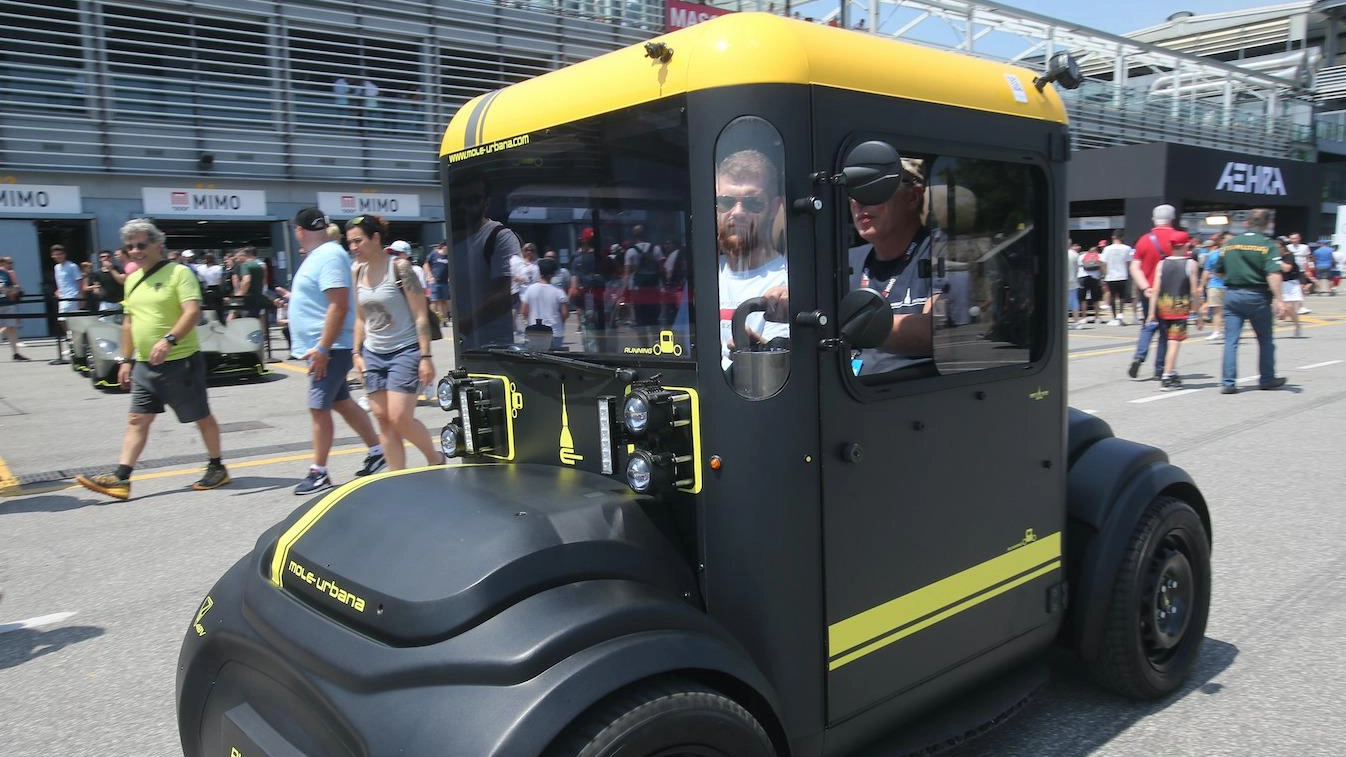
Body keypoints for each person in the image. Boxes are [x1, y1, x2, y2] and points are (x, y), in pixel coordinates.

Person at [74, 219, 230, 500]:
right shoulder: (132, 279)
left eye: (141, 245)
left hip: (180, 360)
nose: (135, 251)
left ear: (158, 244)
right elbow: (128, 322)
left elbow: (192, 312)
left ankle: (217, 467)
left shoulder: (179, 273)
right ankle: (121, 478)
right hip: (145, 364)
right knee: (137, 419)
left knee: (200, 416)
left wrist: (169, 340)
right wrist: (125, 359)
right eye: (130, 246)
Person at [288, 207, 386, 495]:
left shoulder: (328, 255)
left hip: (330, 347)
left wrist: (322, 347)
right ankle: (377, 451)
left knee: (318, 407)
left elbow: (339, 304)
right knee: (341, 402)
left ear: (298, 230)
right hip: (328, 346)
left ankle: (319, 472)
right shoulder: (320, 256)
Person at [349, 216, 443, 471]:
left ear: (376, 238)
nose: (353, 247)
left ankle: (434, 458)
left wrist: (426, 357)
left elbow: (421, 315)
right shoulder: (357, 271)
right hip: (373, 353)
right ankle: (395, 477)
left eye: (358, 241)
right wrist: (356, 353)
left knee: (400, 417)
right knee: (382, 418)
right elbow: (360, 319)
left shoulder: (400, 269)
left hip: (405, 350)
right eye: (350, 243)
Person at [845, 154, 937, 375]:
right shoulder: (846, 260)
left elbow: (933, 332)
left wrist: (842, 323)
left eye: (873, 189)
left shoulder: (939, 252)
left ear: (913, 197)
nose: (858, 201)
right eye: (852, 192)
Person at [716, 149, 788, 369]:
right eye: (726, 202)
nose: (737, 212)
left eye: (752, 203)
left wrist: (763, 353)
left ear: (775, 208)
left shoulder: (789, 283)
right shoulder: (701, 277)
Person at [1215, 208, 1286, 394]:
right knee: (1265, 339)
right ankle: (1267, 378)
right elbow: (1273, 273)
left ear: (1246, 222)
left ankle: (1228, 382)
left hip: (1232, 294)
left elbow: (1218, 270)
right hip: (1258, 296)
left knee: (1231, 340)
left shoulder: (1230, 244)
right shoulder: (1267, 244)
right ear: (1266, 224)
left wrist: (1232, 281)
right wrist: (1279, 299)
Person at [449, 174, 522, 346]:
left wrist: (463, 326)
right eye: (456, 201)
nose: (464, 207)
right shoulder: (454, 241)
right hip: (465, 347)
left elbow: (506, 295)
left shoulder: (500, 237)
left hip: (493, 348)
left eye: (473, 200)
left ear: (486, 202)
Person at [1127, 204, 1190, 380]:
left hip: (1149, 292)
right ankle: (1160, 368)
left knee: (1148, 325)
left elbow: (1134, 267)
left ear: (1154, 219)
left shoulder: (1144, 240)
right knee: (1166, 332)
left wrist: (1146, 287)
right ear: (1172, 219)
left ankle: (1139, 356)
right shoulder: (1178, 239)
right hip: (1172, 293)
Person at [1148, 242, 1201, 389]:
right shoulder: (1190, 264)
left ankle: (1171, 370)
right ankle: (1167, 375)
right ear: (1185, 247)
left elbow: (1156, 289)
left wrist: (1151, 312)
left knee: (1168, 341)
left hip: (1163, 306)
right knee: (1174, 342)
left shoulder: (1162, 263)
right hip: (1180, 306)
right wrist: (1197, 313)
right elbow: (1194, 291)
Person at [520, 256, 568, 349]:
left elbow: (524, 311)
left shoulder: (530, 289)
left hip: (534, 333)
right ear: (553, 274)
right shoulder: (559, 291)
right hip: (555, 332)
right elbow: (565, 313)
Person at [51, 244, 84, 355]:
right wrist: (58, 290)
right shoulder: (56, 267)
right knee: (62, 321)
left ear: (64, 254)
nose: (58, 256)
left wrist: (81, 297)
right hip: (62, 297)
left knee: (69, 320)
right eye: (56, 254)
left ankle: (75, 344)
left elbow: (79, 281)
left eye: (60, 254)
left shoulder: (72, 266)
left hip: (72, 296)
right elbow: (60, 282)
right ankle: (72, 342)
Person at [0, 255, 29, 361]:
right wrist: (8, 290)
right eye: (9, 263)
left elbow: (14, 288)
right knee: (8, 327)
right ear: (2, 263)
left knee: (12, 328)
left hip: (8, 303)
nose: (11, 265)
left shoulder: (7, 273)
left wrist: (11, 289)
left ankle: (16, 353)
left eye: (11, 263)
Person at [1100, 231, 1132, 325]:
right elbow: (1128, 262)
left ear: (1113, 237)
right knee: (1122, 296)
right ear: (1122, 237)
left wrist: (1104, 274)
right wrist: (1128, 272)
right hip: (1123, 275)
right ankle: (1120, 314)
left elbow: (1103, 263)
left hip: (1111, 276)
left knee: (1113, 296)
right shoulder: (1127, 248)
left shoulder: (1107, 249)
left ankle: (1114, 317)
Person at [1199, 238, 1226, 342]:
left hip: (1216, 285)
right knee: (1223, 311)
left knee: (1217, 311)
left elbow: (1206, 271)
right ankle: (1220, 331)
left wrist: (1201, 285)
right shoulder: (1229, 254)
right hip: (1226, 285)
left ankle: (1217, 331)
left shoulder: (1212, 255)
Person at [1278, 241, 1305, 338]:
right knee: (1279, 311)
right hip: (1279, 283)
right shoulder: (1273, 257)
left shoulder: (1289, 256)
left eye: (1278, 247)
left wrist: (1277, 260)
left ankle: (1297, 326)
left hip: (1291, 283)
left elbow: (1287, 268)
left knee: (1288, 307)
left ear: (1283, 247)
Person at [1077, 241, 1105, 324]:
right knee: (1095, 299)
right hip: (1095, 278)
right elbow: (1102, 266)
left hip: (1082, 278)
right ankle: (1097, 317)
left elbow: (1078, 266)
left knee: (1083, 299)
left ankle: (1084, 317)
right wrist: (1103, 276)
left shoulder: (1082, 256)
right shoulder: (1100, 256)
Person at [425, 240, 451, 324]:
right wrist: (429, 276)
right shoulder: (434, 254)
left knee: (444, 301)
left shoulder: (449, 256)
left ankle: (444, 319)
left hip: (445, 282)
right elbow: (426, 265)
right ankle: (433, 319)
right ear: (443, 246)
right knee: (434, 300)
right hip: (434, 281)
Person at [1065, 243, 1081, 329]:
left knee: (1064, 302)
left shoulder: (1062, 253)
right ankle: (1076, 321)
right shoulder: (1075, 254)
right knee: (1074, 300)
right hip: (1074, 280)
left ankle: (1064, 321)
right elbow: (1078, 267)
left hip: (1063, 281)